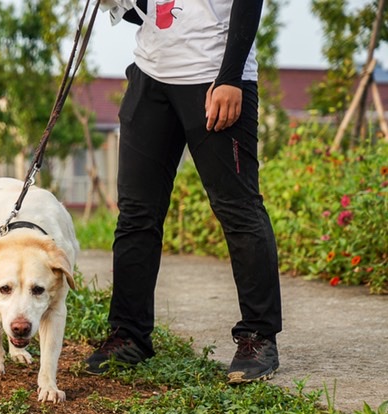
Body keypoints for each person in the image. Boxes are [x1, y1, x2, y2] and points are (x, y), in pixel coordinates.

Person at [86, 0, 282, 383]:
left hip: (213, 76)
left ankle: (258, 337)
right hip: (150, 74)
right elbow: (143, 11)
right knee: (136, 214)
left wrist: (231, 77)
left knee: (238, 209)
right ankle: (129, 334)